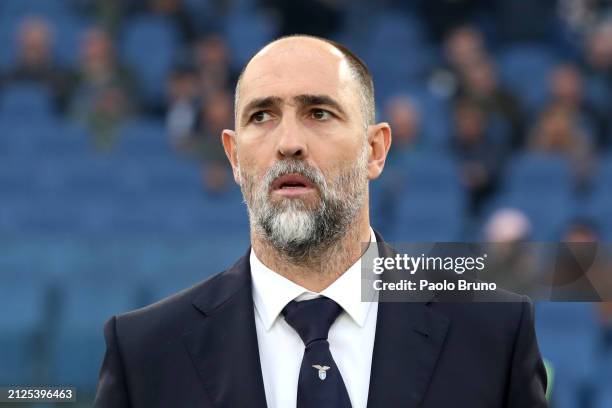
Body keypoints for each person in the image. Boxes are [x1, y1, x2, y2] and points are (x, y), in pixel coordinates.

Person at [94, 35, 547, 407]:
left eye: (319, 113)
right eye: (262, 116)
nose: (289, 142)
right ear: (233, 156)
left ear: (376, 150)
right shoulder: (144, 353)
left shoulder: (495, 334)